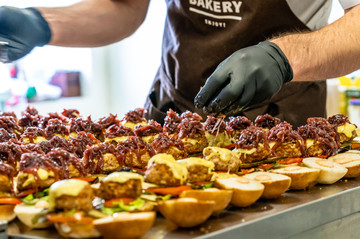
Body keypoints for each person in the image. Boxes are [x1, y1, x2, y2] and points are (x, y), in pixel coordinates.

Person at [0, 0, 359, 127]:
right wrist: (43, 23)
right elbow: (124, 7)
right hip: (171, 119)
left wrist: (283, 57)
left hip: (281, 129)